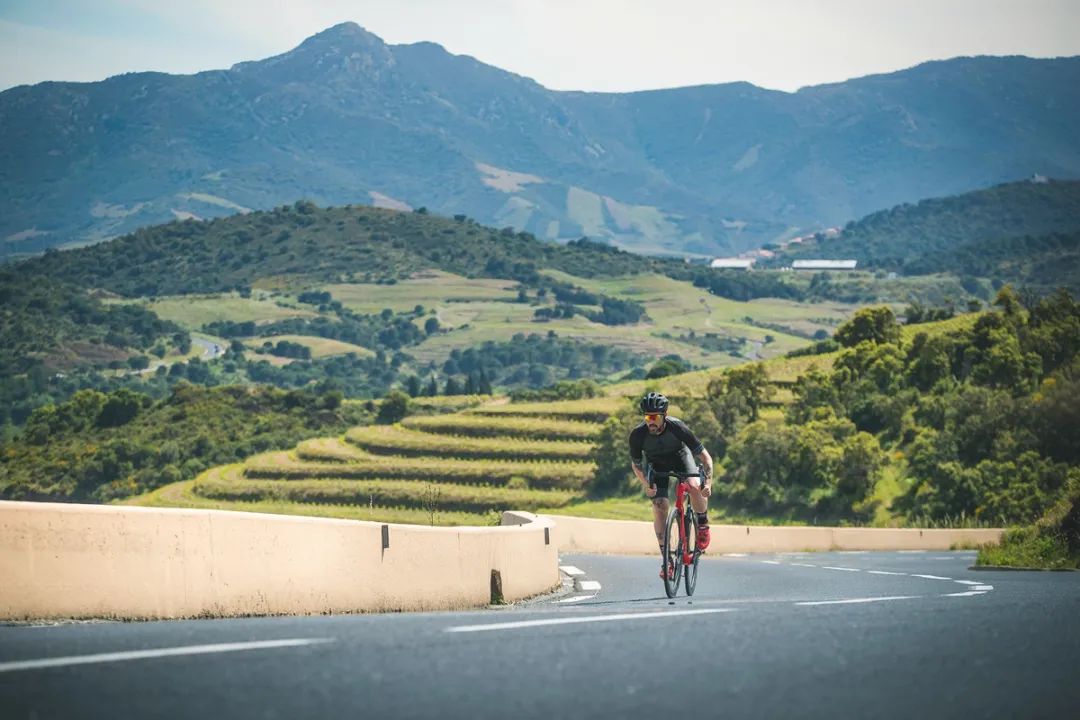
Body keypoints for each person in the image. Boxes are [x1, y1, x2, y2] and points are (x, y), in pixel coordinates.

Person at [628, 391, 714, 578]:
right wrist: (646, 484)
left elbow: (705, 457)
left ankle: (702, 524)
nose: (650, 421)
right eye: (647, 416)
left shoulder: (677, 427)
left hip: (680, 458)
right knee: (660, 506)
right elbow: (636, 464)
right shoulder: (638, 434)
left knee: (693, 485)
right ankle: (667, 562)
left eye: (654, 417)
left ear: (664, 416)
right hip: (656, 465)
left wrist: (707, 482)